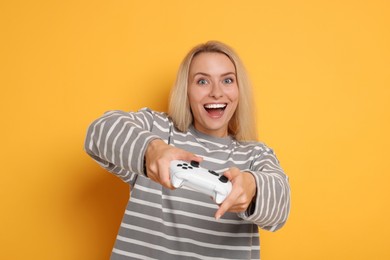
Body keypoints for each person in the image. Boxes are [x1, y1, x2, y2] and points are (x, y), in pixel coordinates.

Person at [84, 41, 290, 260]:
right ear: (187, 90)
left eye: (227, 80)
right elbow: (99, 132)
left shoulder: (255, 155)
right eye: (202, 81)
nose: (216, 93)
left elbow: (280, 208)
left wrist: (253, 186)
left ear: (239, 91)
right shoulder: (157, 130)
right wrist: (153, 149)